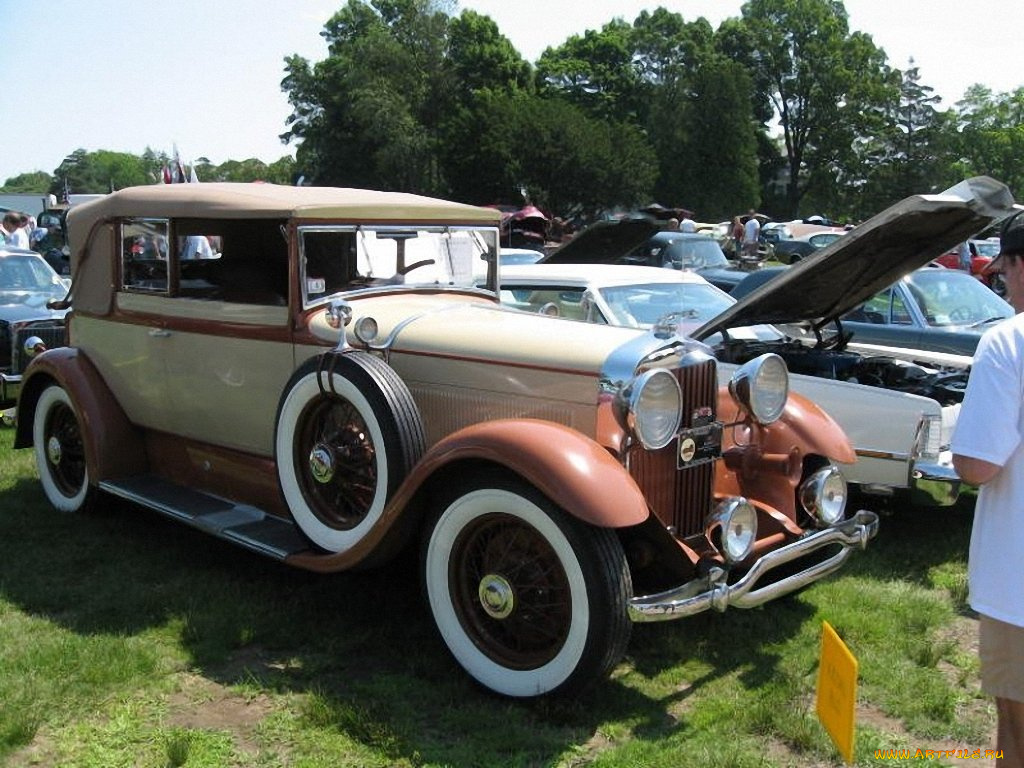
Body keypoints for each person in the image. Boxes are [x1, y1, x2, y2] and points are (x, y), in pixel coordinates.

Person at [951, 210, 1024, 767]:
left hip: (1018, 583)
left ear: (1020, 266)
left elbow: (976, 465)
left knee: (1017, 732)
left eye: (1004, 270)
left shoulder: (1008, 341)